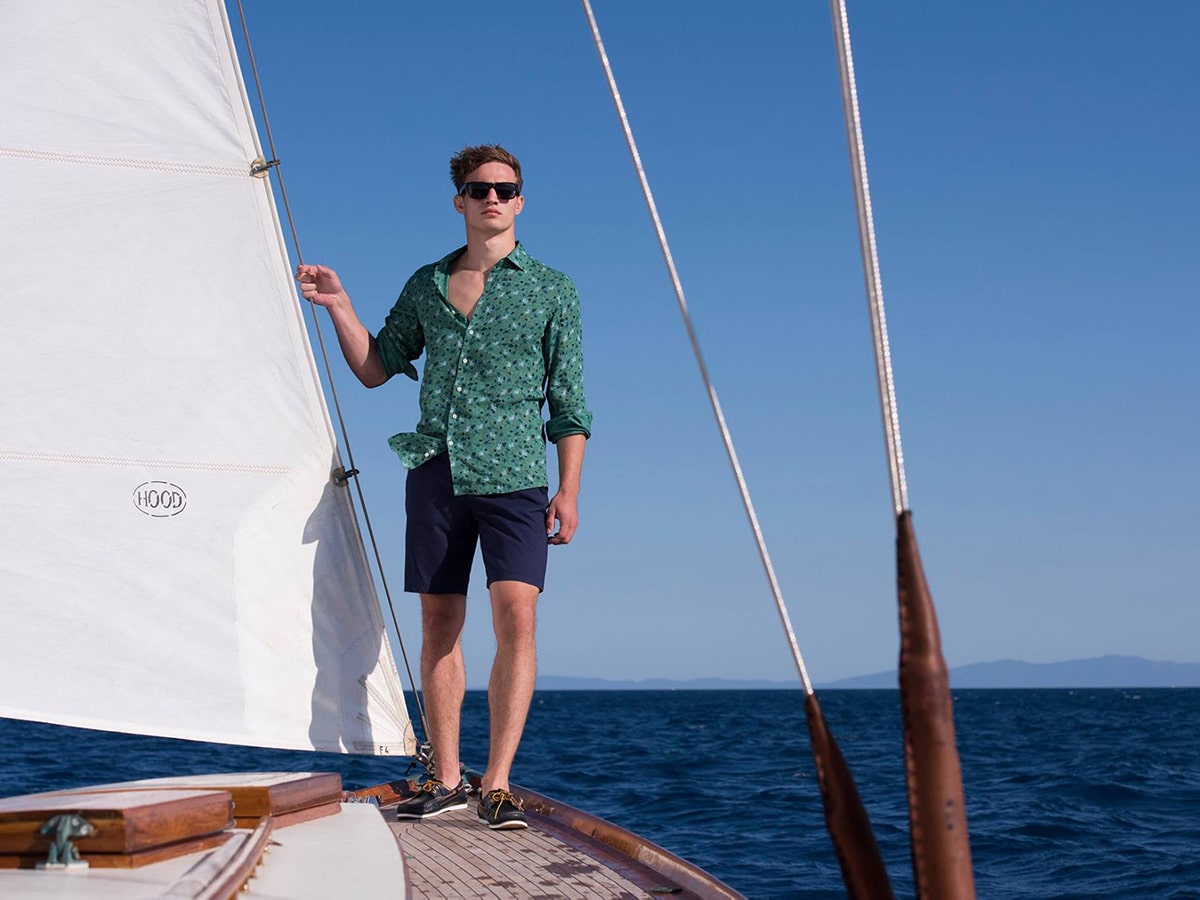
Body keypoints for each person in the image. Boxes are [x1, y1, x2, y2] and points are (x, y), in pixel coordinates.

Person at [296, 145, 591, 831]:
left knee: (518, 614)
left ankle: (498, 783)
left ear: (520, 202)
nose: (492, 198)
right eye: (478, 188)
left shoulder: (553, 290)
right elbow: (376, 368)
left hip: (516, 476)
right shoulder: (426, 285)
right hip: (435, 472)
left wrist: (569, 489)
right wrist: (340, 306)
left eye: (505, 189)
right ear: (459, 200)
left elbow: (570, 404)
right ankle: (449, 777)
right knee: (439, 623)